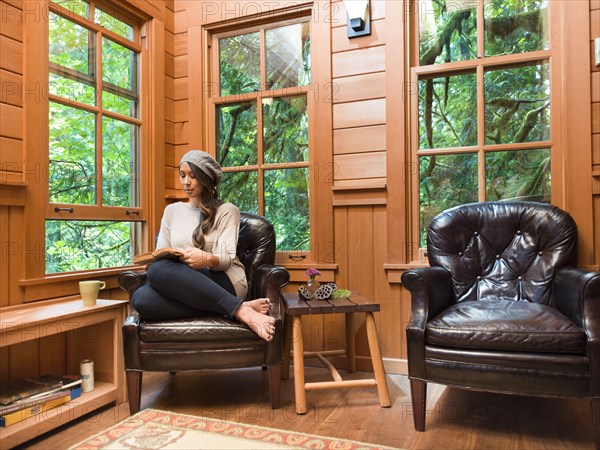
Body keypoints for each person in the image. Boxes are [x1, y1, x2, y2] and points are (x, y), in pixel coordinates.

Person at [132, 150, 276, 341]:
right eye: (182, 175)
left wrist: (206, 259)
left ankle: (240, 310)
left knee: (158, 270)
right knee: (142, 298)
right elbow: (162, 253)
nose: (186, 182)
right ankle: (237, 307)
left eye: (193, 176)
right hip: (184, 282)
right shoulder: (172, 211)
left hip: (224, 279)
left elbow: (226, 260)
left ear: (206, 179)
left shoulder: (227, 211)